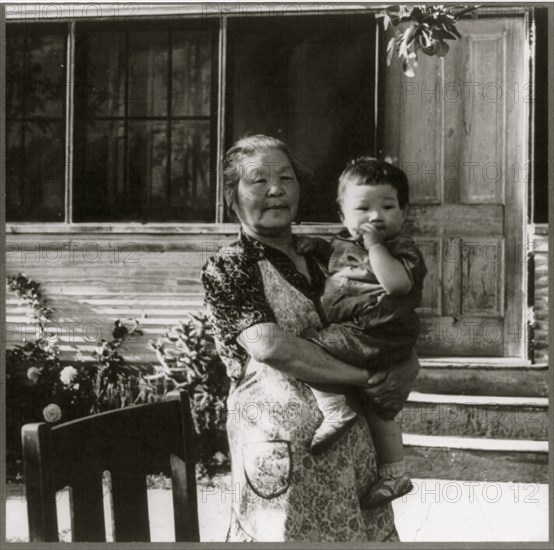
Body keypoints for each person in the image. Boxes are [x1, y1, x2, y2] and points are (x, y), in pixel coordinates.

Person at [201, 135, 420, 542]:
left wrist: (407, 366)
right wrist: (366, 379)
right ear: (232, 196)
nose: (276, 189)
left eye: (286, 177)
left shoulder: (332, 256)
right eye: (257, 180)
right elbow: (269, 346)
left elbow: (386, 320)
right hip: (284, 453)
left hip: (355, 455)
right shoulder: (230, 266)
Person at [297, 157, 427, 508]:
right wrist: (319, 246)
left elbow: (397, 284)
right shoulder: (344, 243)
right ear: (342, 216)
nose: (375, 217)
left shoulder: (402, 249)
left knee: (309, 346)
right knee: (379, 408)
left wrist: (374, 246)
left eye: (387, 206)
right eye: (363, 208)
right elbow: (341, 256)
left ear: (403, 213)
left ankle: (334, 408)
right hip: (363, 334)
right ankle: (394, 473)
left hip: (377, 332)